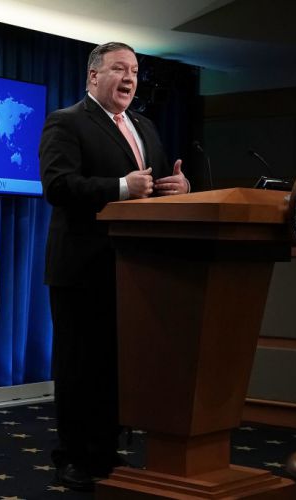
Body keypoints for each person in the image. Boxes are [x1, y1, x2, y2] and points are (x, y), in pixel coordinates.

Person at [39, 41, 190, 491]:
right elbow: (59, 186)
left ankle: (105, 451)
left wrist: (179, 187)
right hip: (83, 268)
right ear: (93, 75)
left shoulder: (144, 125)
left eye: (136, 71)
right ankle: (73, 459)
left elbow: (157, 183)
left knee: (116, 367)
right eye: (120, 69)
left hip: (135, 269)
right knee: (80, 366)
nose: (130, 78)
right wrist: (121, 187)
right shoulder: (66, 122)